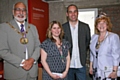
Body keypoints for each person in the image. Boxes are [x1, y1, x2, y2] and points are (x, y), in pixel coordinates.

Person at [0, 2, 40, 80]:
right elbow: (2, 51)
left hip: (32, 73)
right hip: (14, 73)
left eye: (23, 10)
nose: (21, 12)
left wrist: (31, 60)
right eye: (18, 9)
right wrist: (22, 62)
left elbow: (38, 46)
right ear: (13, 11)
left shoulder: (33, 28)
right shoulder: (4, 27)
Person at [62, 4, 91, 80]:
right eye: (70, 12)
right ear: (67, 14)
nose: (73, 14)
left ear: (78, 13)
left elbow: (87, 42)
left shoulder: (85, 27)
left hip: (81, 64)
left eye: (75, 11)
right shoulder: (62, 28)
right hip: (68, 65)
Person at [89, 12, 120, 80]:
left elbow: (116, 56)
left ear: (107, 25)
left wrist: (114, 71)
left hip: (108, 73)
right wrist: (91, 66)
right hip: (96, 71)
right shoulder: (94, 37)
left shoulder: (113, 37)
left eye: (104, 22)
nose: (101, 25)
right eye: (99, 23)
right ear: (96, 26)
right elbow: (92, 54)